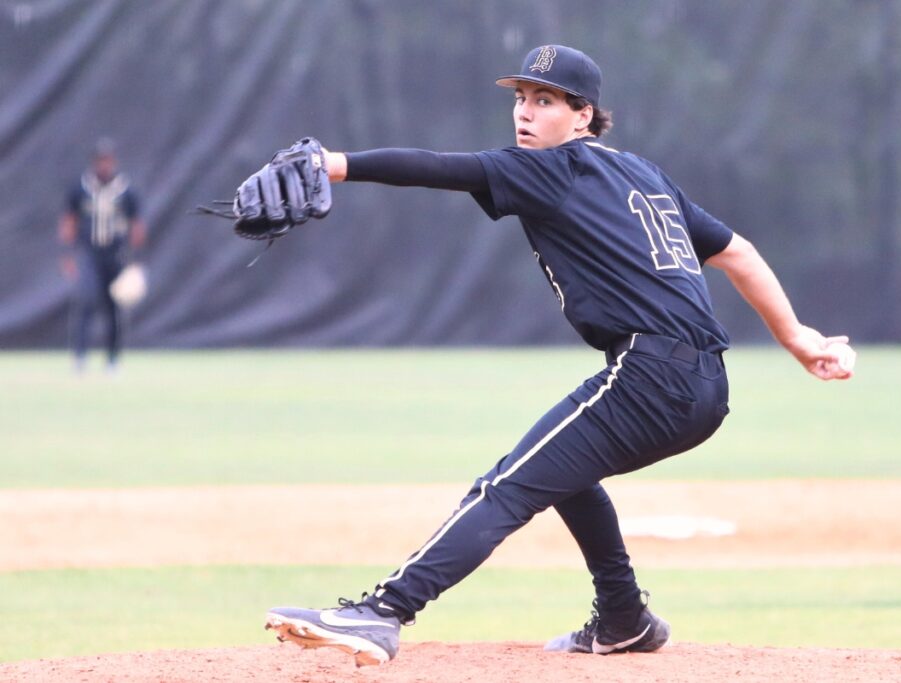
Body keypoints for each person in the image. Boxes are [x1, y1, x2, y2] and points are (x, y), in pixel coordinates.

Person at [263, 45, 853, 666]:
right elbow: (738, 251)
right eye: (520, 98)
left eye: (545, 100)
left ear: (582, 115)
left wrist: (332, 163)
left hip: (649, 375)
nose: (525, 112)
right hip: (703, 385)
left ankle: (382, 612)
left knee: (505, 488)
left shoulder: (552, 168)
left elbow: (441, 167)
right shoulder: (643, 174)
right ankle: (624, 617)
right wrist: (797, 339)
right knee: (566, 472)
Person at [58, 139, 146, 372]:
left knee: (114, 307)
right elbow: (69, 222)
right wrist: (67, 254)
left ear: (114, 161)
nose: (105, 165)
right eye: (101, 161)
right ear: (94, 162)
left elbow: (136, 226)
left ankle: (112, 359)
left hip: (116, 255)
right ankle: (80, 357)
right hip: (89, 253)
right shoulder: (81, 189)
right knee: (86, 300)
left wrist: (135, 261)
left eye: (108, 160)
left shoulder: (125, 191)